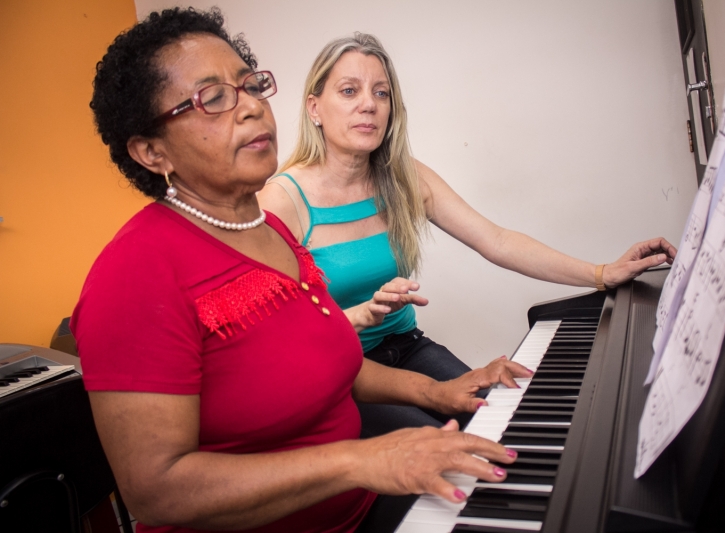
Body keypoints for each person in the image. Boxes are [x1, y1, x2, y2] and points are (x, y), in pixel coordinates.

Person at [73, 8, 530, 533]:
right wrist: (363, 460)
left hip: (355, 506)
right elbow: (157, 492)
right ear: (151, 151)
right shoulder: (133, 273)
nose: (248, 107)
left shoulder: (269, 232)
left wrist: (437, 390)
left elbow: (330, 365)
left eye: (249, 85)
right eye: (213, 98)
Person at [258, 32, 677, 437]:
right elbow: (276, 337)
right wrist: (356, 316)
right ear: (315, 107)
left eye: (381, 93)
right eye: (349, 91)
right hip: (345, 370)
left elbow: (496, 241)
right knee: (445, 448)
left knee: (503, 424)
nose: (369, 104)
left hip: (408, 347)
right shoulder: (281, 200)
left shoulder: (406, 177)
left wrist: (602, 273)